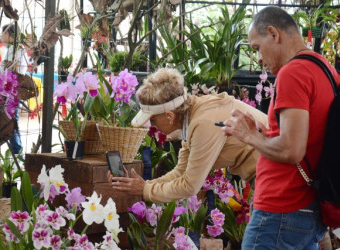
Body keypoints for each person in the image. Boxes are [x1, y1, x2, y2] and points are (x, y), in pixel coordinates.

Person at [221, 6, 336, 249]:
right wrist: (264, 134)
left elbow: (291, 150)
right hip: (308, 209)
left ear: (274, 34)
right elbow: (308, 137)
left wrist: (250, 136)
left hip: (281, 209)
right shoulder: (325, 69)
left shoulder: (293, 72)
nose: (259, 59)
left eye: (257, 48)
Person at [108, 68, 268, 203]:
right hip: (271, 178)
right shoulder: (192, 116)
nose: (153, 126)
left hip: (279, 180)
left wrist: (145, 190)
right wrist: (143, 185)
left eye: (154, 120)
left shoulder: (203, 122)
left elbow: (190, 185)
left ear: (170, 116)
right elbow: (181, 171)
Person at [0, 23, 28, 155]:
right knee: (10, 121)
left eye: (3, 33)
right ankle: (17, 153)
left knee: (11, 121)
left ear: (10, 35)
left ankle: (18, 153)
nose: (0, 36)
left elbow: (12, 71)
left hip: (10, 91)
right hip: (7, 90)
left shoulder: (17, 50)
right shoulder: (13, 49)